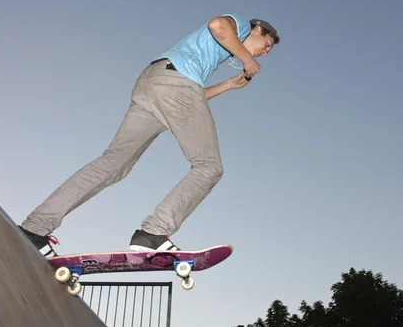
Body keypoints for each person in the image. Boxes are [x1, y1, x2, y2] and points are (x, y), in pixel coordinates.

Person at [19, 14, 279, 257]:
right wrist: (247, 59)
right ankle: (153, 234)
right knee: (209, 167)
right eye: (266, 45)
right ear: (256, 29)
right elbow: (217, 26)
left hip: (154, 83)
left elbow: (192, 97)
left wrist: (228, 85)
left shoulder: (207, 55)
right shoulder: (240, 25)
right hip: (176, 84)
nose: (265, 53)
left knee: (113, 165)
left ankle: (35, 228)